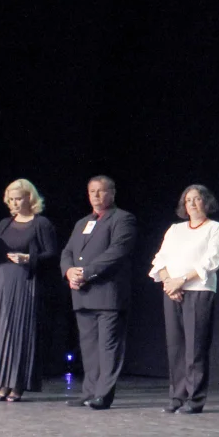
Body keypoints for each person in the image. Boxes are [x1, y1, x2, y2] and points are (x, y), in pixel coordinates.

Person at [59, 175, 136, 410]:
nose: (95, 195)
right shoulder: (82, 222)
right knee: (89, 347)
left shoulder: (122, 219)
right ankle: (89, 392)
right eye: (92, 191)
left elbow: (117, 252)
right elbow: (67, 251)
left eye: (101, 191)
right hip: (83, 294)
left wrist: (86, 272)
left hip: (108, 294)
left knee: (108, 347)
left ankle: (103, 394)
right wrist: (69, 271)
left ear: (112, 193)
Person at [149, 184, 219, 414]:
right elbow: (161, 259)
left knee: (195, 347)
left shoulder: (215, 229)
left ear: (206, 202)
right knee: (175, 346)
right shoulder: (175, 229)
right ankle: (177, 396)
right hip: (172, 291)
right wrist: (169, 283)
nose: (192, 203)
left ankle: (195, 398)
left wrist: (181, 280)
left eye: (197, 199)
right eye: (188, 200)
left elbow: (212, 261)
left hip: (198, 290)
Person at [0, 178, 60, 401]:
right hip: (3, 280)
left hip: (25, 281)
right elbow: (1, 253)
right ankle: (2, 383)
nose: (14, 203)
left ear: (29, 198)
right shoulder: (5, 223)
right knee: (2, 331)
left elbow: (51, 254)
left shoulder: (40, 223)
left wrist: (28, 258)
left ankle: (18, 384)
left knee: (20, 331)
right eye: (11, 199)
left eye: (19, 198)